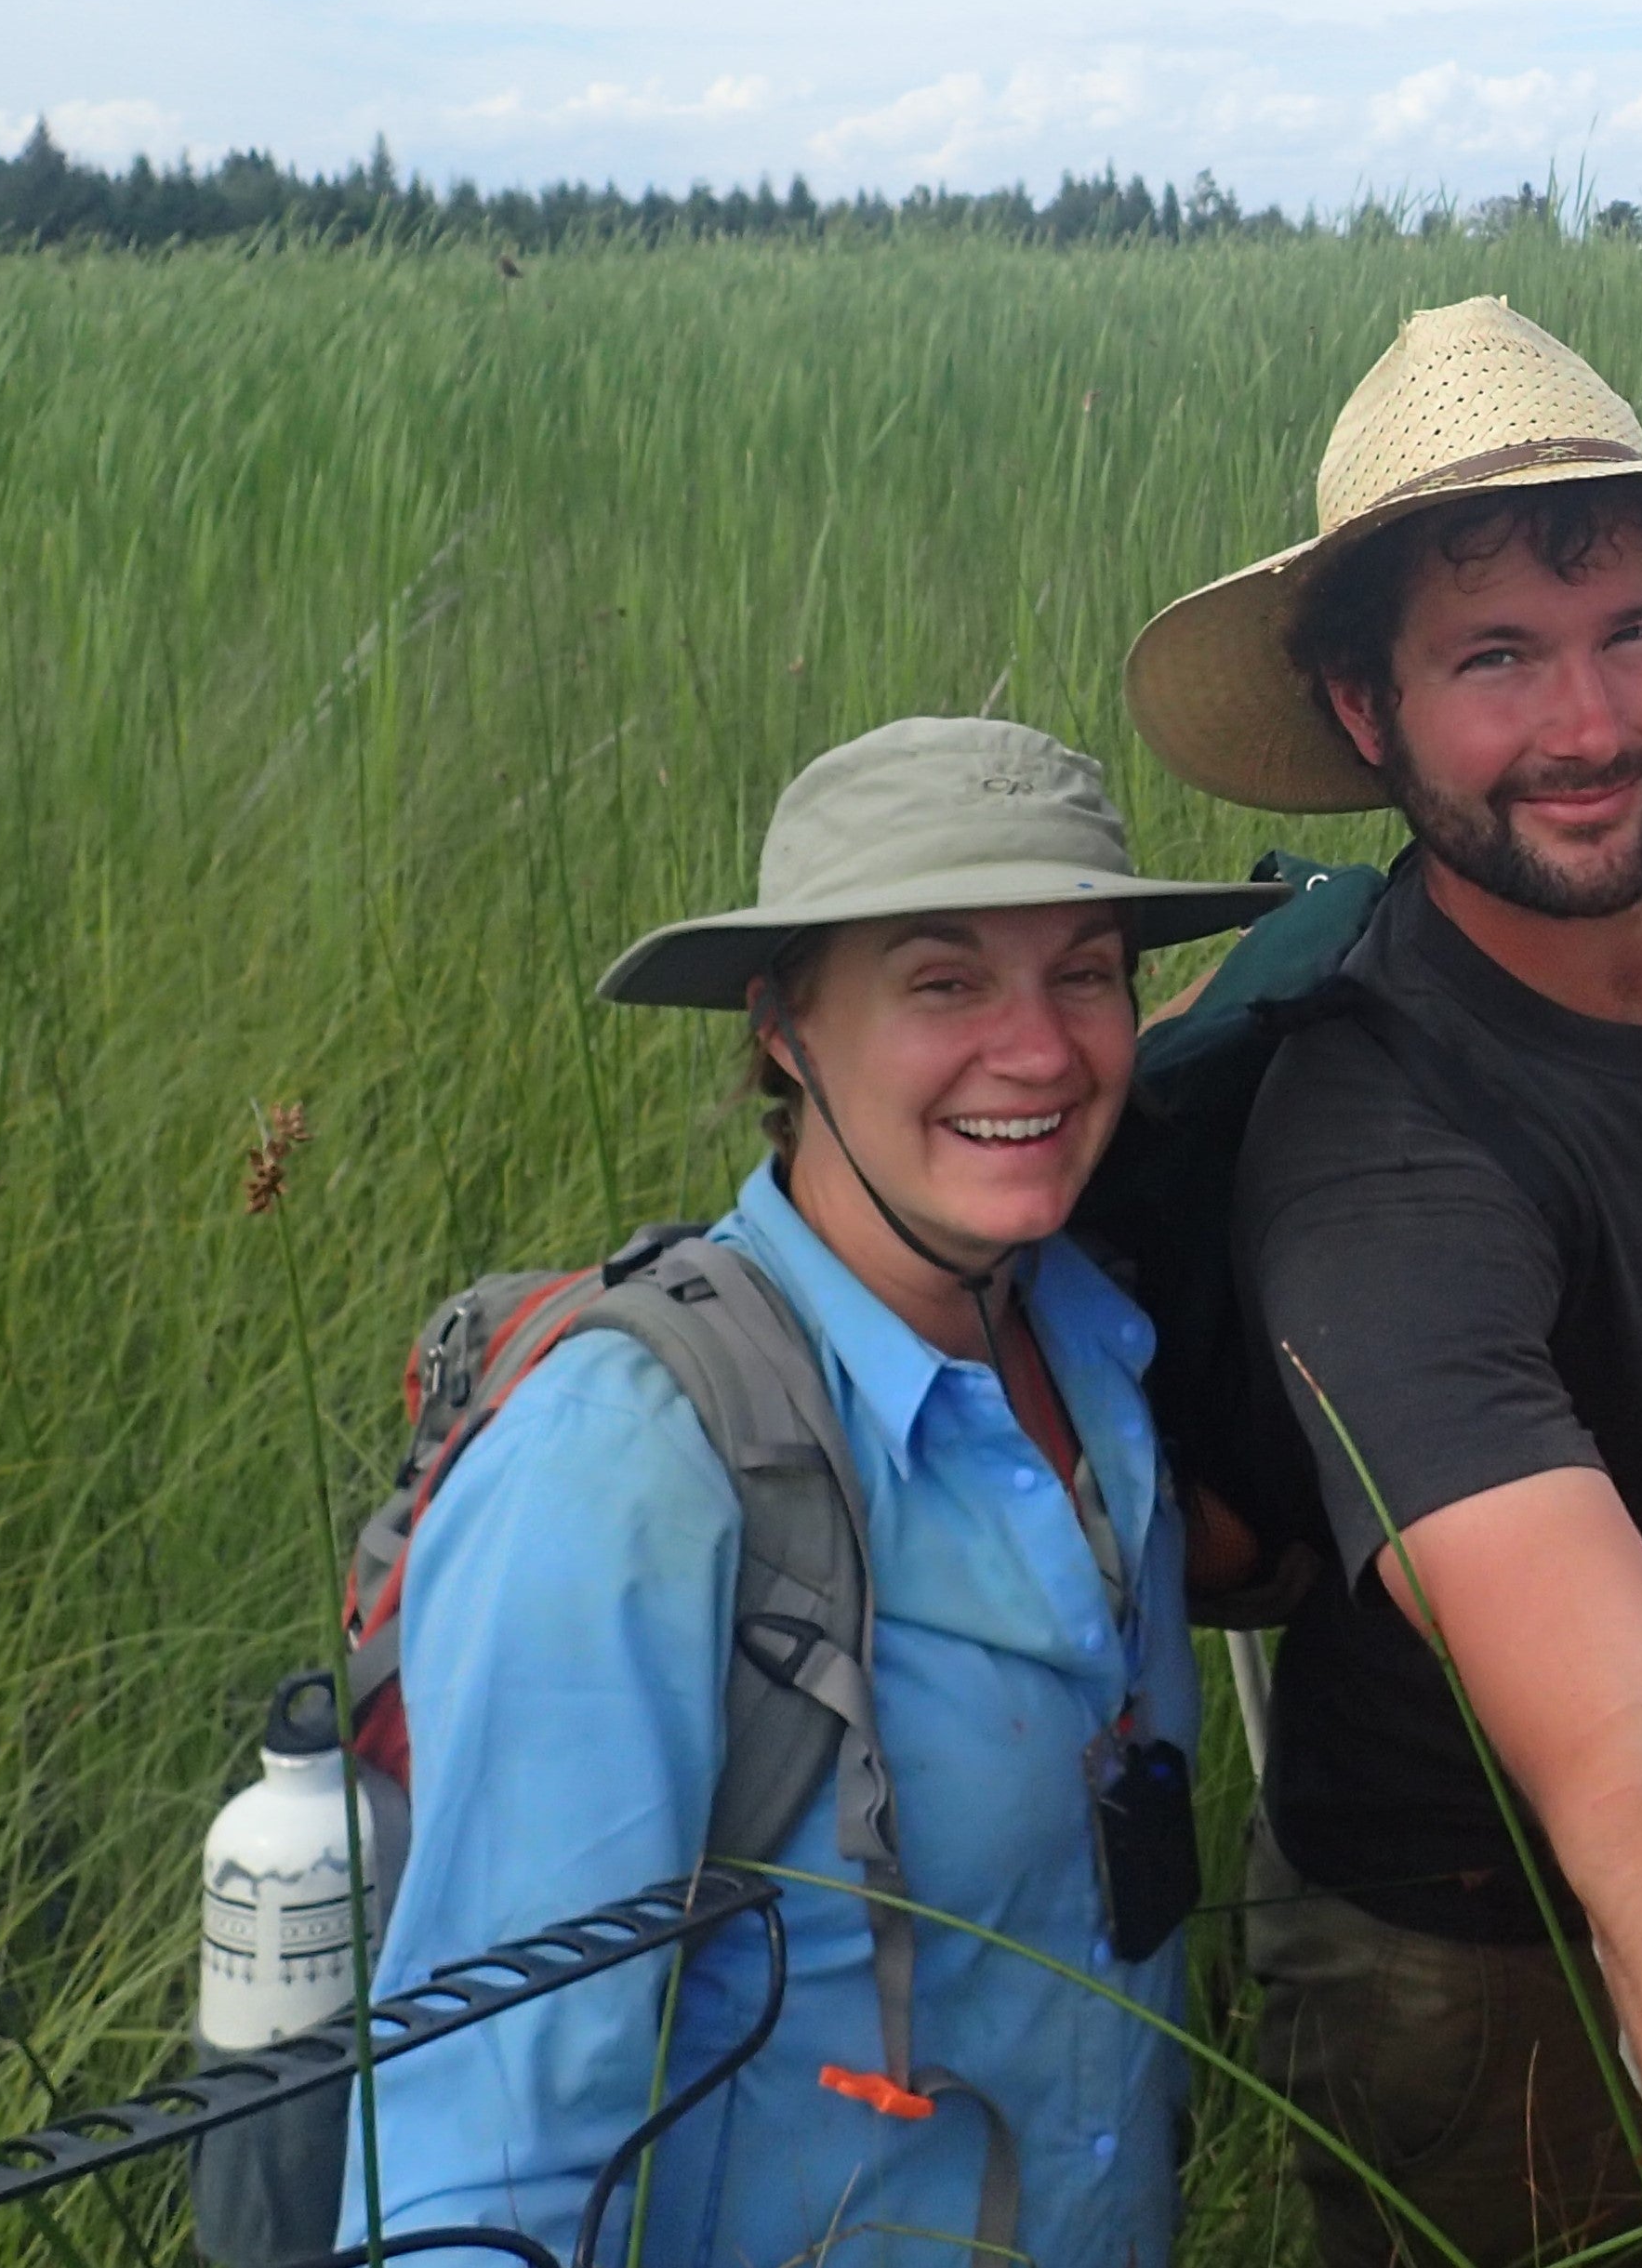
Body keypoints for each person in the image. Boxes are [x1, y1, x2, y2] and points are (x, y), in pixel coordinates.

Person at [1119, 297, 1642, 2267]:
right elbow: (1634, 1767)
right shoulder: (1384, 1158)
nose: (1587, 727)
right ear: (1364, 711)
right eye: (1494, 659)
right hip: (1477, 1939)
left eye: (1632, 633)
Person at [360, 718, 1277, 2268]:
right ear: (784, 1027)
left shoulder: (1092, 1345)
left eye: (1085, 969)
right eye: (942, 980)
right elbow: (480, 2157)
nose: (1041, 1048)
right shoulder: (637, 1457)